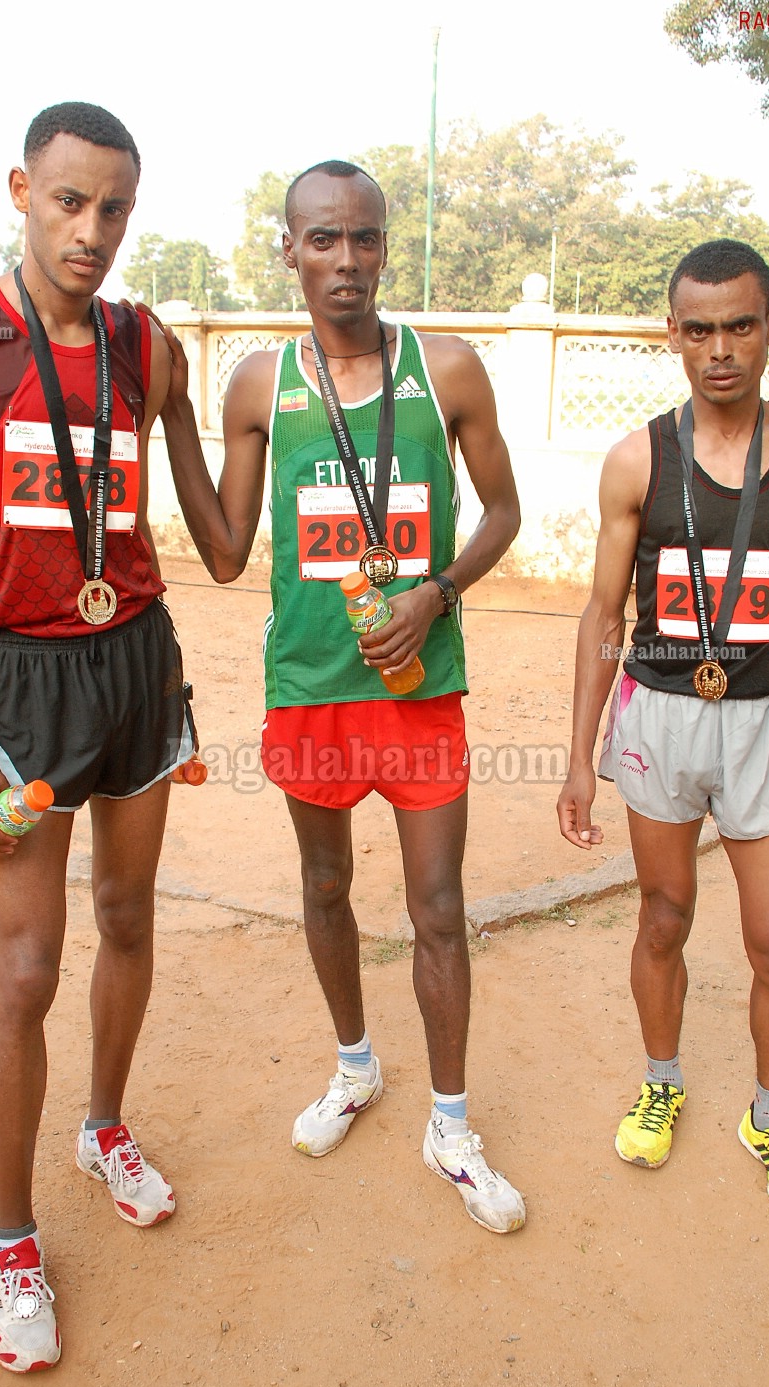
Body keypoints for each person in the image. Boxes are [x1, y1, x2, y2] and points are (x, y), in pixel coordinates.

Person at [156, 160, 526, 1233]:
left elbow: (500, 509)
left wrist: (439, 589)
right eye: (324, 239)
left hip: (420, 689)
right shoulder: (258, 385)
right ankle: (356, 1064)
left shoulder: (446, 369)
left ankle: (450, 1123)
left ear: (383, 248)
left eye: (364, 238)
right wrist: (177, 418)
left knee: (439, 905)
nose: (347, 260)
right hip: (310, 688)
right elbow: (226, 555)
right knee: (325, 890)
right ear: (290, 250)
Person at [0, 102, 195, 1372]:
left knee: (129, 918)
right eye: (69, 201)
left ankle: (105, 1125)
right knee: (26, 966)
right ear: (22, 188)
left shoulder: (142, 340)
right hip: (21, 680)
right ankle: (13, 1238)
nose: (92, 230)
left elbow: (201, 523)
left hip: (134, 657)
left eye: (114, 207)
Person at [557, 238, 769, 1222]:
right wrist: (576, 756)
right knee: (665, 917)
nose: (720, 347)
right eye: (699, 328)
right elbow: (605, 617)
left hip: (767, 724)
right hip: (659, 723)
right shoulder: (638, 457)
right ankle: (662, 1077)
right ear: (672, 335)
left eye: (740, 324)